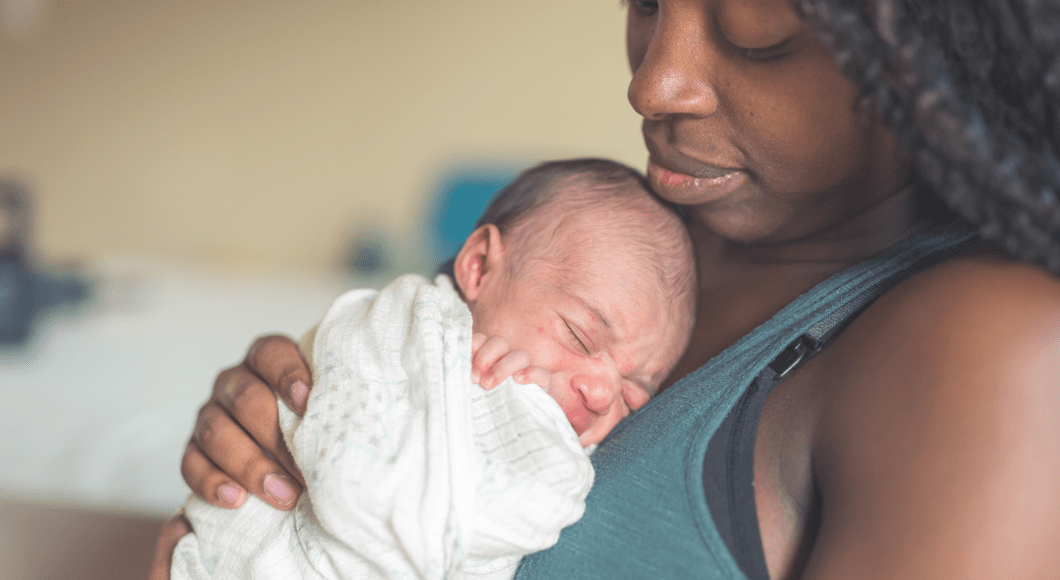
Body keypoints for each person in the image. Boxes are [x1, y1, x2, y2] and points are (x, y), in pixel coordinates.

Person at [152, 0, 1060, 578]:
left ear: (939, 40)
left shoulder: (998, 350)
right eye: (643, 2)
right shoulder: (627, 248)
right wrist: (271, 440)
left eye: (757, 33)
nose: (652, 83)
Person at [169, 158, 697, 580]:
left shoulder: (582, 451)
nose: (604, 393)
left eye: (636, 391)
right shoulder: (408, 324)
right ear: (479, 267)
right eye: (580, 335)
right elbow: (355, 482)